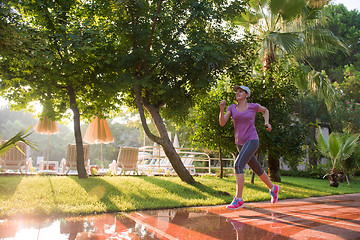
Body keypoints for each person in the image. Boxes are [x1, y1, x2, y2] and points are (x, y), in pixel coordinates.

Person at [219, 85, 279, 210]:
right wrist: (222, 110)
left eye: (241, 91)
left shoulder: (253, 106)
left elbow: (265, 110)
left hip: (252, 140)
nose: (238, 93)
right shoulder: (232, 108)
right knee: (256, 168)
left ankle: (238, 199)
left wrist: (266, 122)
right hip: (239, 144)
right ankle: (273, 188)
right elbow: (222, 122)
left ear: (247, 94)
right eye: (237, 92)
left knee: (238, 165)